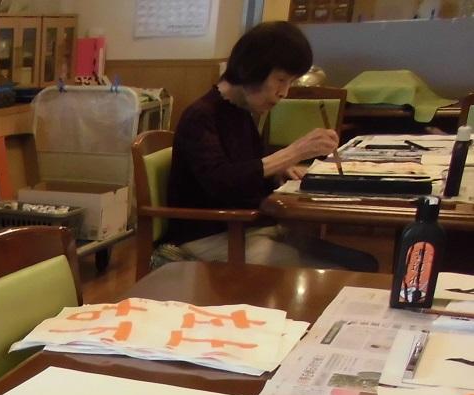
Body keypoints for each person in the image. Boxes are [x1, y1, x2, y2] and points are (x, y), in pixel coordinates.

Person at [162, 21, 378, 272]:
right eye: (281, 80)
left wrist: (280, 169)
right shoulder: (201, 115)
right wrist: (294, 152)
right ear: (252, 69)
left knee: (363, 263)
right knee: (345, 272)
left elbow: (245, 170)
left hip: (248, 227)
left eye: (290, 82)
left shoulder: (241, 112)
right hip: (213, 234)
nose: (284, 92)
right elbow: (221, 182)